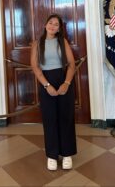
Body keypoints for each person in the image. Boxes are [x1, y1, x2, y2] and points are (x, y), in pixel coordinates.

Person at [31, 13, 77, 171]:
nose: (52, 26)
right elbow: (36, 67)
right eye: (50, 23)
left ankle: (67, 154)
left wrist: (66, 83)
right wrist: (46, 86)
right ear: (45, 25)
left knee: (66, 117)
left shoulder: (62, 42)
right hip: (46, 82)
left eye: (56, 24)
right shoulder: (38, 43)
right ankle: (52, 155)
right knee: (50, 119)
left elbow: (71, 65)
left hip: (63, 80)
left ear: (59, 28)